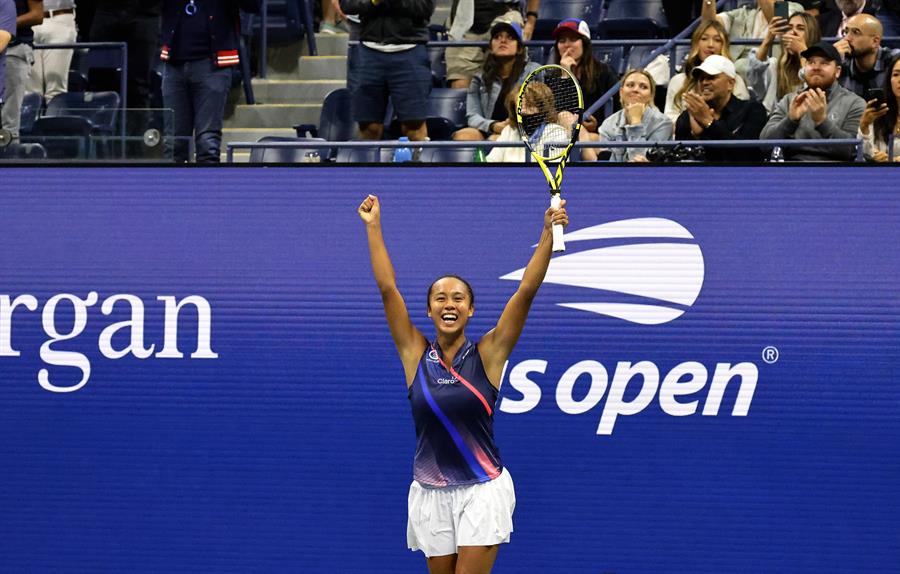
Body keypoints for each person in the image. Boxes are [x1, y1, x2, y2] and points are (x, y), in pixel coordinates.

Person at [357, 191, 568, 574]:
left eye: (458, 298)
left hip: (482, 490)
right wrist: (373, 228)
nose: (448, 304)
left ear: (470, 310)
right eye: (440, 298)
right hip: (430, 491)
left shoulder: (489, 354)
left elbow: (525, 293)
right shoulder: (414, 354)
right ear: (429, 309)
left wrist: (547, 234)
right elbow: (388, 290)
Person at [160, 0, 261, 163]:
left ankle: (207, 187)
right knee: (173, 145)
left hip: (212, 66)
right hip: (174, 64)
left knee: (207, 143)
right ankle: (174, 188)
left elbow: (253, 5)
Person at [340, 0, 434, 142]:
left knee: (414, 126)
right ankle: (368, 164)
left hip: (410, 52)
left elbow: (425, 8)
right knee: (368, 127)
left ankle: (417, 163)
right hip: (368, 53)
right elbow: (347, 5)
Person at [760, 40, 866, 160]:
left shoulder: (854, 103)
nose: (816, 67)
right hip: (791, 170)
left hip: (835, 172)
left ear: (837, 71)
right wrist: (790, 121)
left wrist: (822, 122)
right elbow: (764, 144)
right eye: (811, 62)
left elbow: (852, 151)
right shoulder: (790, 100)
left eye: (824, 63)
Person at [453, 19, 538, 141]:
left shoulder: (534, 72)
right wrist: (493, 125)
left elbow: (542, 108)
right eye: (497, 37)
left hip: (522, 131)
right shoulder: (479, 78)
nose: (503, 41)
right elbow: (472, 116)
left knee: (495, 140)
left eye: (510, 37)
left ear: (519, 48)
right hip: (490, 129)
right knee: (463, 136)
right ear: (491, 48)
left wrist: (513, 126)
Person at [674, 55, 768, 162]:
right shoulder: (687, 117)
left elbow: (749, 155)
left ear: (730, 84)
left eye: (711, 77)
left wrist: (709, 123)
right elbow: (680, 161)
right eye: (701, 78)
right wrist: (696, 137)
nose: (704, 82)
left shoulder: (753, 110)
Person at [664, 19, 750, 124]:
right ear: (696, 44)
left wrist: (707, 122)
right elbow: (669, 120)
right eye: (704, 39)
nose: (710, 45)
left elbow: (741, 117)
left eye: (717, 40)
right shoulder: (678, 81)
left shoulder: (735, 80)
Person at [444, 0, 537, 89]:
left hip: (505, 15)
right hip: (463, 22)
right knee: (460, 84)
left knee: (509, 83)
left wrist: (531, 19)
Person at [701, 0, 805, 79]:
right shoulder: (745, 12)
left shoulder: (792, 8)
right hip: (734, 74)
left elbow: (779, 22)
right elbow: (709, 25)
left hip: (769, 74)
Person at [551, 18, 618, 132]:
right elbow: (555, 113)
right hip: (561, 136)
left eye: (573, 39)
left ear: (585, 43)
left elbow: (617, 109)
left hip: (600, 135)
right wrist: (565, 74)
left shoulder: (604, 72)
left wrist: (598, 126)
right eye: (562, 40)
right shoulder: (552, 76)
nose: (567, 45)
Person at [746, 11, 822, 111]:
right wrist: (768, 39)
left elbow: (814, 90)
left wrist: (802, 52)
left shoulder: (822, 68)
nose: (792, 32)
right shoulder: (775, 66)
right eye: (789, 28)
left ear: (812, 36)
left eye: (800, 28)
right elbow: (755, 83)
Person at [597, 68, 673, 163]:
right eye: (630, 85)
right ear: (621, 92)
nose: (636, 90)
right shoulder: (608, 124)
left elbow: (640, 165)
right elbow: (606, 166)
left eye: (643, 87)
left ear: (651, 96)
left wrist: (635, 122)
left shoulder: (663, 124)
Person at [834, 13, 900, 99]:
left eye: (855, 32)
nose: (846, 38)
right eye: (845, 32)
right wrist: (831, 59)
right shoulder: (840, 62)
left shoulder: (895, 60)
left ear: (875, 41)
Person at [1, 0, 41, 140]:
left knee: (8, 120)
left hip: (14, 49)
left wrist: (6, 24)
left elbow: (37, 14)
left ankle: (10, 158)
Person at [28, 0, 75, 103]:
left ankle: (54, 118)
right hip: (28, 20)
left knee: (55, 89)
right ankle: (32, 118)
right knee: (30, 91)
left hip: (59, 19)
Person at [857, 54, 900, 161]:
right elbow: (864, 153)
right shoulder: (880, 112)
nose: (899, 80)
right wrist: (864, 126)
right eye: (895, 75)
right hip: (881, 174)